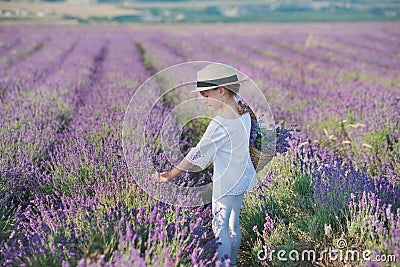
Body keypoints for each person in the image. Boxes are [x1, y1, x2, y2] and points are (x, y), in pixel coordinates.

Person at [152, 63, 257, 267]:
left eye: (206, 95)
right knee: (234, 224)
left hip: (226, 181)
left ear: (221, 90)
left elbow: (196, 155)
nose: (204, 101)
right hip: (243, 175)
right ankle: (233, 262)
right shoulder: (243, 108)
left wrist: (171, 174)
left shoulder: (219, 124)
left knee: (220, 227)